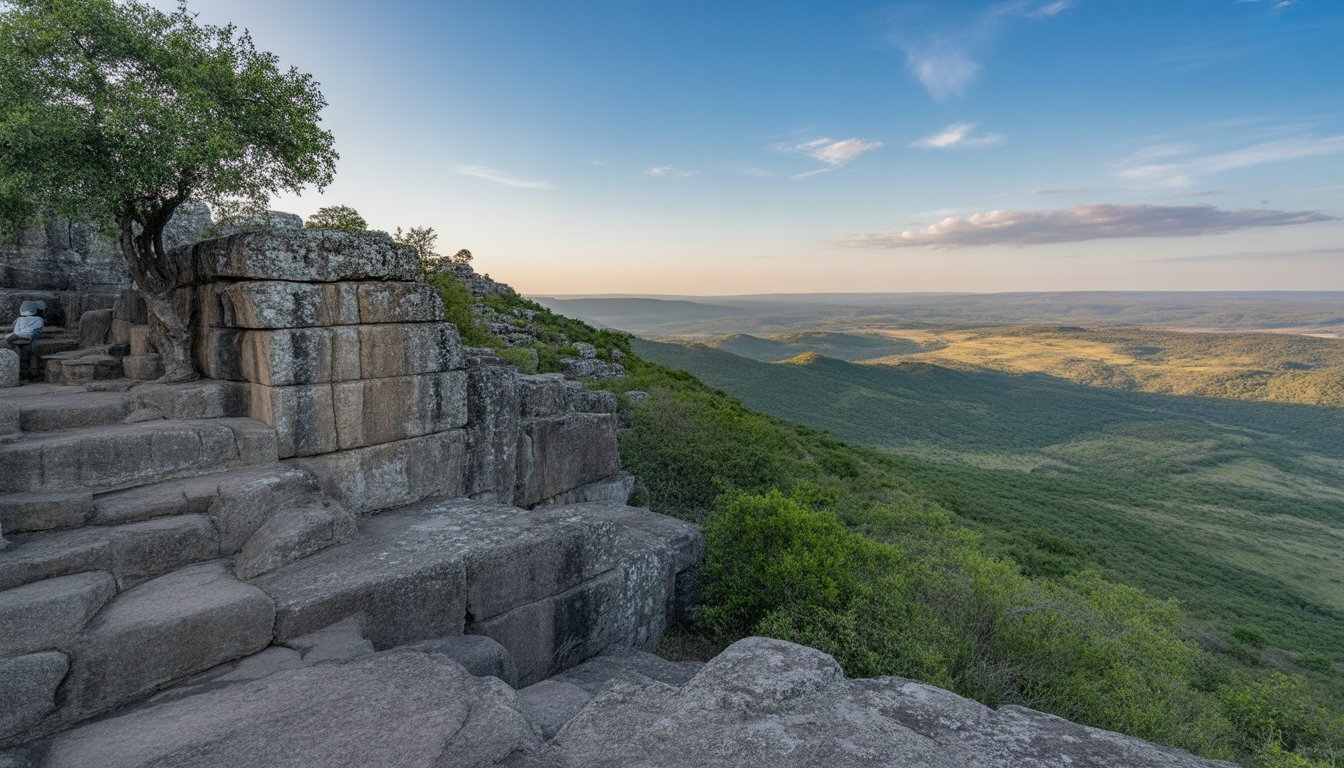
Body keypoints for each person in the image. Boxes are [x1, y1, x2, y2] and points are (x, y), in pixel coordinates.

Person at [4, 301, 46, 371]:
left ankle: (32, 366)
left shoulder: (39, 319)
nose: (27, 312)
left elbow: (33, 329)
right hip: (19, 334)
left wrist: (19, 333)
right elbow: (16, 329)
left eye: (28, 310)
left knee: (31, 348)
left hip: (29, 335)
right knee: (9, 339)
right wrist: (18, 333)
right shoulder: (20, 319)